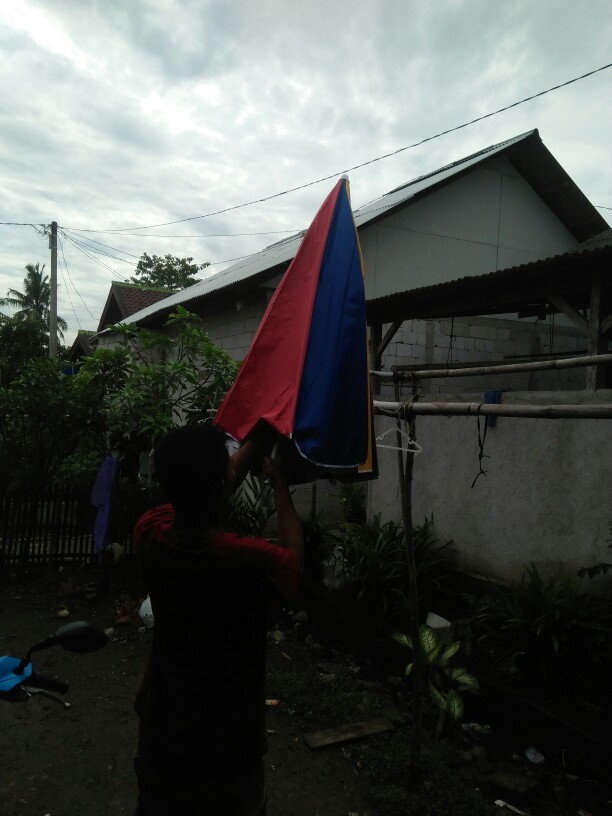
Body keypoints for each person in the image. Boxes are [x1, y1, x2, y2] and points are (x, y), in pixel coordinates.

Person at [133, 423, 303, 816]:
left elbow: (201, 487)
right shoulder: (249, 558)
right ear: (218, 486)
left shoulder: (150, 536)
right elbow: (294, 570)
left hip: (161, 735)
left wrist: (261, 433)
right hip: (228, 747)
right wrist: (279, 485)